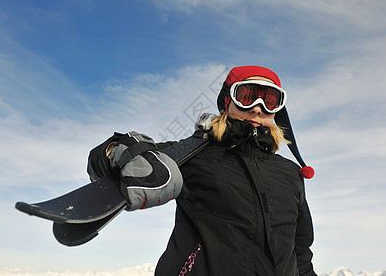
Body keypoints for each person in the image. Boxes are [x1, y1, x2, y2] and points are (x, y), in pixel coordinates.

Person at [89, 65, 317, 276]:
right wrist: (119, 151)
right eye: (247, 96)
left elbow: (301, 250)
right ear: (228, 101)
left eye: (269, 99)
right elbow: (101, 162)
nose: (258, 108)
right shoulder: (193, 154)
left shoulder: (290, 173)